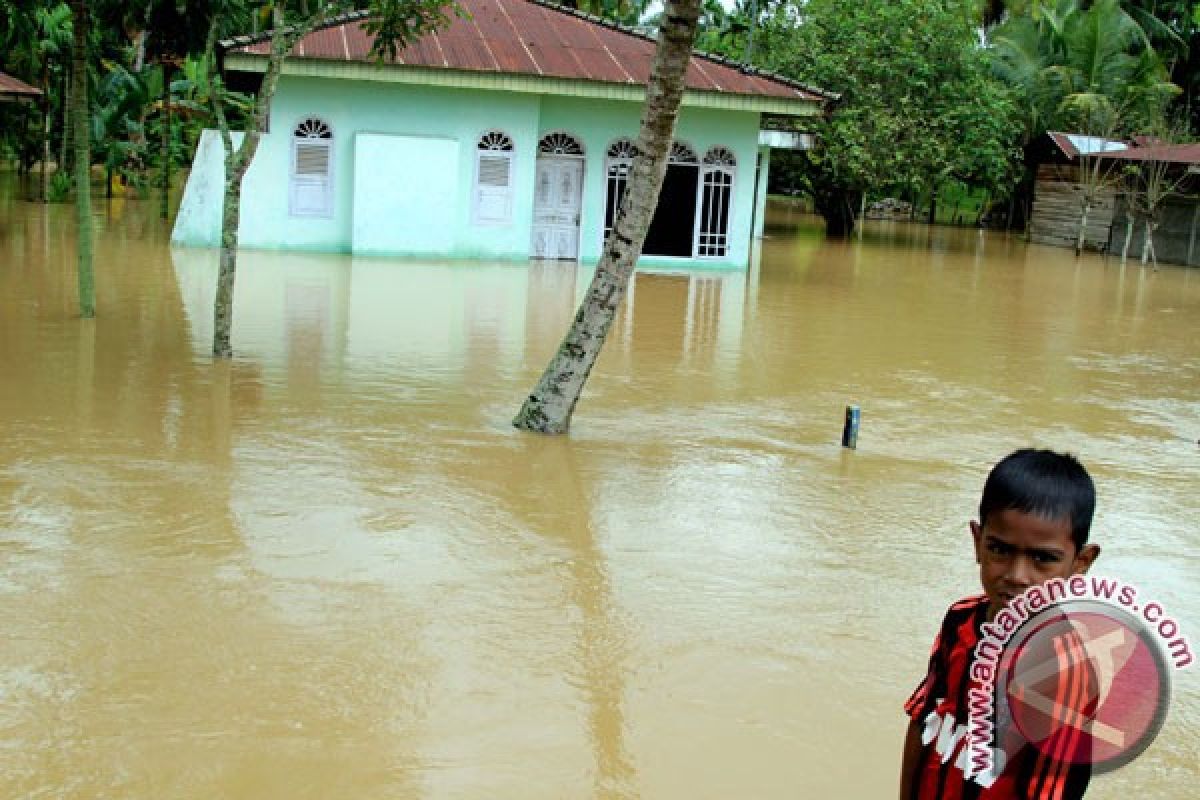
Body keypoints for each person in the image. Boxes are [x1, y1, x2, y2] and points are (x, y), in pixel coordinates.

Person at [899, 449, 1102, 800]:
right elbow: (923, 720)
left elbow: (1050, 791)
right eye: (1000, 550)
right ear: (978, 543)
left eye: (1042, 558)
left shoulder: (1066, 673)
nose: (1017, 575)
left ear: (1080, 563)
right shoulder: (960, 620)